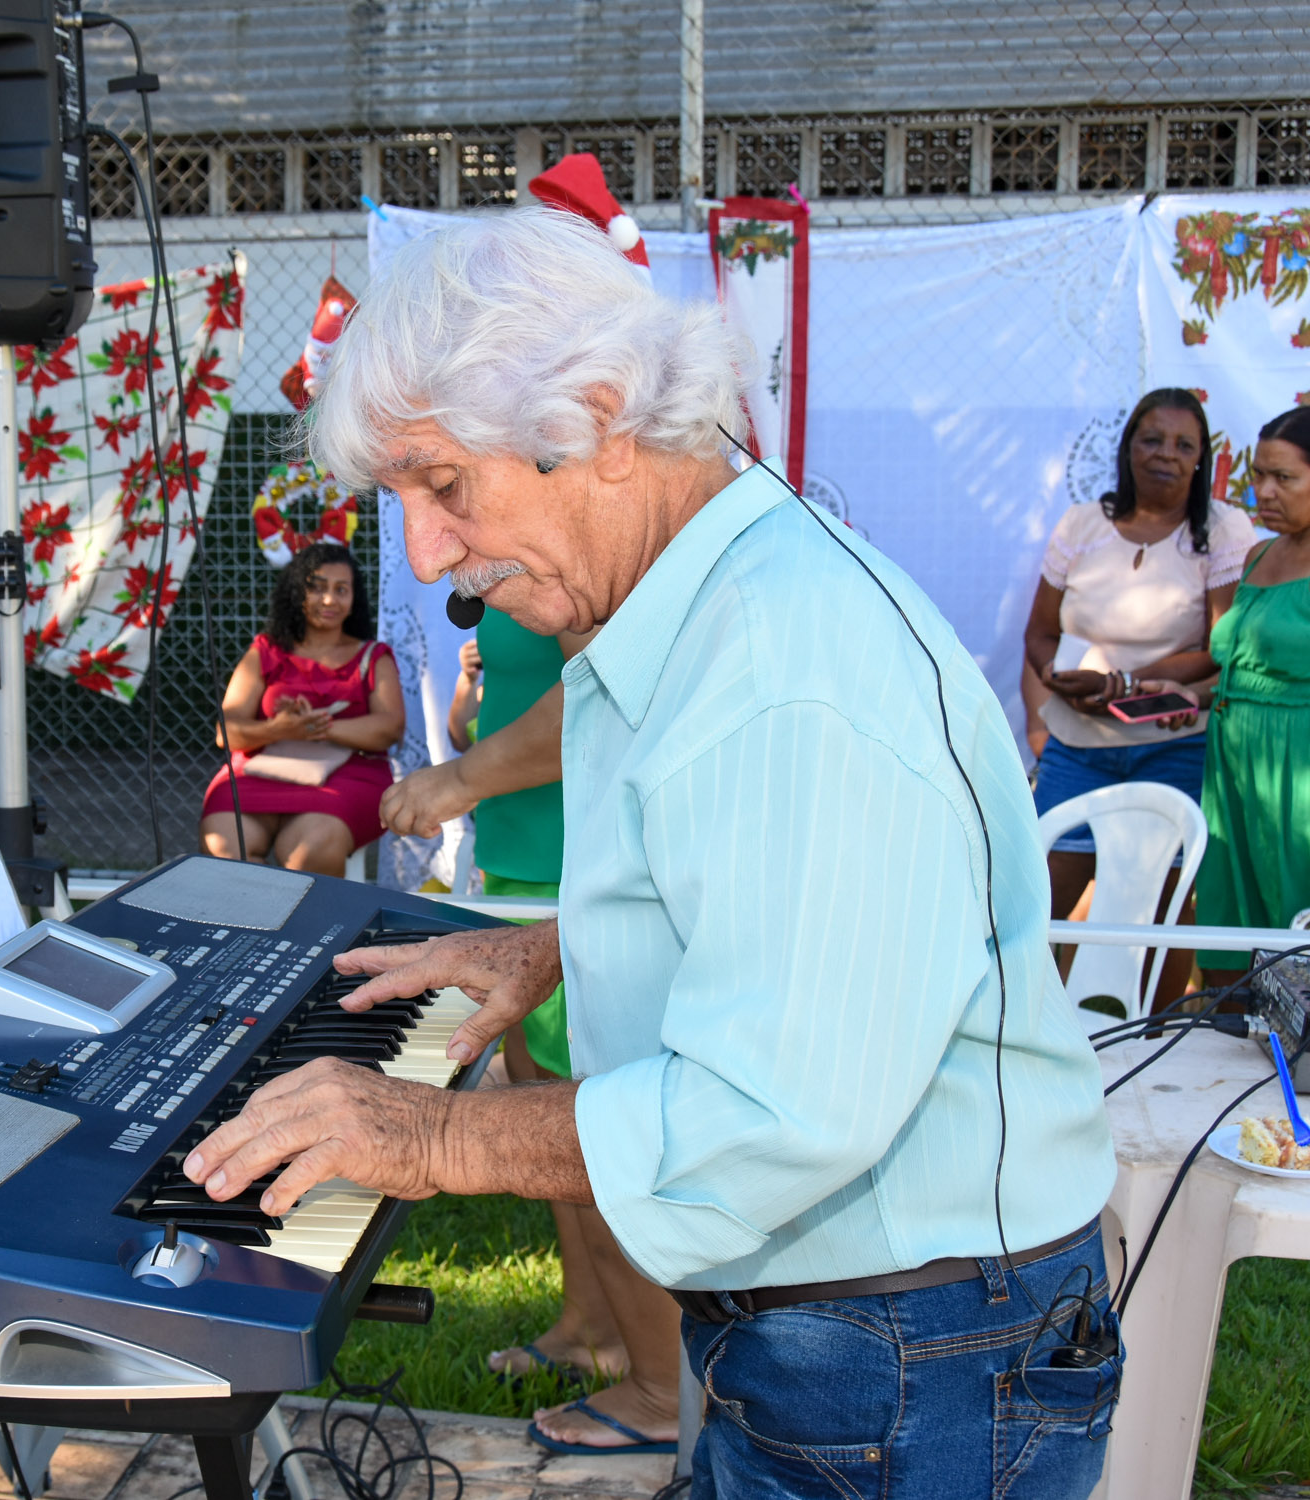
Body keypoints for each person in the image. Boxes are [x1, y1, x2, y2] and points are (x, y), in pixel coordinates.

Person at [181, 209, 1119, 1498]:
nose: (427, 553)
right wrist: (561, 947)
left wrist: (433, 1139)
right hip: (872, 1329)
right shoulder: (708, 599)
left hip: (912, 1349)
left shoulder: (782, 668)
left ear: (599, 418)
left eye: (442, 486)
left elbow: (774, 1109)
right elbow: (778, 905)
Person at [392, 611, 680, 1454]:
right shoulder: (508, 576)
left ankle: (665, 1389)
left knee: (595, 1125)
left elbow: (598, 697)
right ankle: (592, 1328)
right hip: (526, 861)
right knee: (547, 1103)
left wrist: (459, 779)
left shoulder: (573, 570)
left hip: (575, 864)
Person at [1022, 388, 1255, 1007]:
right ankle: (1028, 1027)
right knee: (1040, 898)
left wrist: (1124, 684)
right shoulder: (1081, 524)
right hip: (1078, 742)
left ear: (1202, 458)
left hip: (1173, 745)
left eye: (1184, 445)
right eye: (1152, 440)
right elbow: (1039, 634)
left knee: (1163, 904)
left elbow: (1221, 646)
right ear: (1127, 448)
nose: (1166, 455)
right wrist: (1054, 676)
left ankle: (1154, 1036)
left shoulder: (1224, 529)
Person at [1148, 408, 1310, 987]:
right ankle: (1230, 1032)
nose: (1264, 492)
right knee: (1231, 919)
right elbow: (1248, 670)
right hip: (1233, 770)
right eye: (1259, 475)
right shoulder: (1258, 556)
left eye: (1284, 478)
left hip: (1297, 776)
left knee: (1296, 921)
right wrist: (1187, 693)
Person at [198, 543, 405, 877]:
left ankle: (302, 914)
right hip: (262, 771)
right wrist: (279, 729)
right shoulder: (265, 651)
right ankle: (255, 913)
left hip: (349, 776)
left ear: (354, 598)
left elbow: (390, 728)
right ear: (297, 592)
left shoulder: (373, 656)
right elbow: (226, 732)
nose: (330, 600)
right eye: (318, 588)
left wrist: (317, 727)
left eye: (341, 590)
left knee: (308, 853)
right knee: (223, 848)